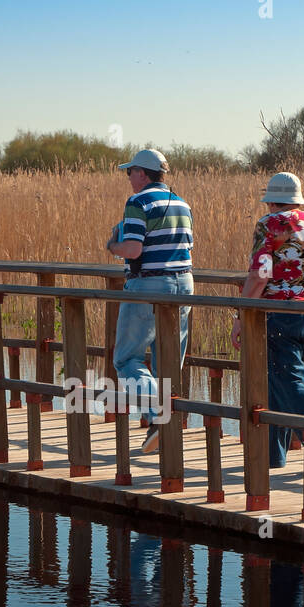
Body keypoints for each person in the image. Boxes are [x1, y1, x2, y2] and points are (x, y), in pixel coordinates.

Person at [231, 172, 304, 470]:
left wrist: (241, 315)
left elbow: (260, 275)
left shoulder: (270, 225)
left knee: (287, 379)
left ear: (272, 201)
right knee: (277, 382)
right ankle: (272, 459)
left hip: (282, 315)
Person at [106, 149, 193, 454]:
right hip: (183, 284)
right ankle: (161, 424)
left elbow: (132, 249)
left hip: (148, 285)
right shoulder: (181, 202)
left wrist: (112, 245)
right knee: (167, 360)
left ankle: (160, 412)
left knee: (126, 359)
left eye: (130, 172)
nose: (128, 178)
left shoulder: (138, 202)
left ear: (142, 173)